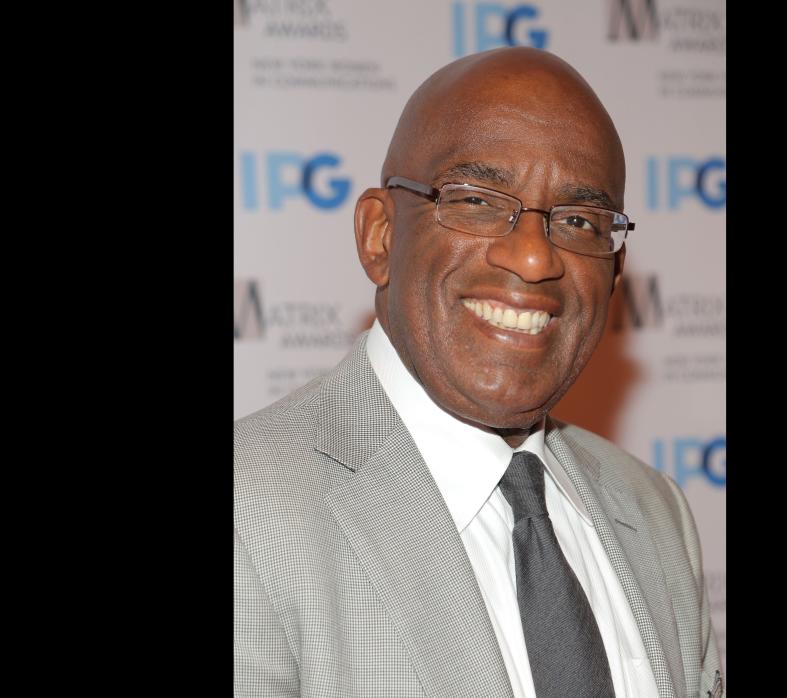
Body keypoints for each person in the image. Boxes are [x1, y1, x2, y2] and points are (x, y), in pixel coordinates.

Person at [235, 46, 723, 698]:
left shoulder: (657, 514)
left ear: (614, 272)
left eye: (579, 220)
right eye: (477, 200)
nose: (532, 257)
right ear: (380, 236)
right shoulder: (250, 515)